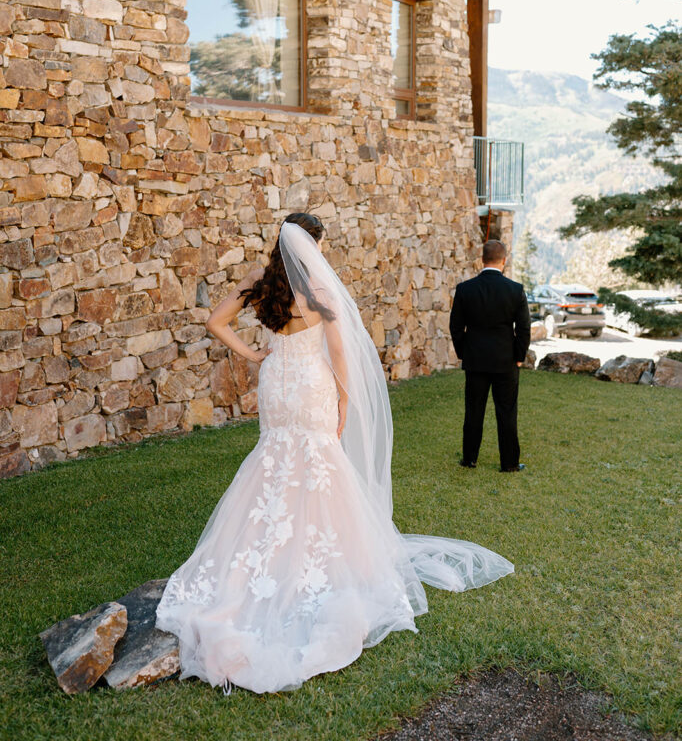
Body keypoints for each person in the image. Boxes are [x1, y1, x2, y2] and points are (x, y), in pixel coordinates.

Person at [156, 213, 513, 694]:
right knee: (321, 465)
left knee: (274, 461)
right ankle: (320, 561)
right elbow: (341, 355)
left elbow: (214, 321)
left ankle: (263, 558)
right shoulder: (320, 293)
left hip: (277, 385)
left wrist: (253, 355)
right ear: (312, 244)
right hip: (311, 387)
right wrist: (345, 398)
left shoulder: (260, 285)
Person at [449, 239, 531, 473]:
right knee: (507, 411)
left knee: (474, 410)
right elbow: (524, 327)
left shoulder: (465, 289)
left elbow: (456, 326)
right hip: (506, 361)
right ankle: (509, 463)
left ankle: (470, 459)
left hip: (475, 360)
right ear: (504, 261)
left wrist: (465, 353)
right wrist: (519, 356)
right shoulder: (515, 290)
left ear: (482, 259)